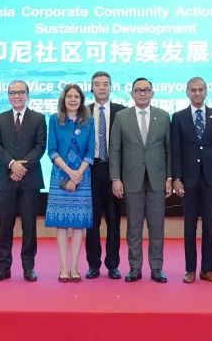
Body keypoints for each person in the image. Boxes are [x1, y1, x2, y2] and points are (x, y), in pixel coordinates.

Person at [111, 77, 172, 283]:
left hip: (157, 179)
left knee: (157, 227)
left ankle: (157, 268)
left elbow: (169, 150)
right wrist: (116, 178)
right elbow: (115, 149)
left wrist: (169, 177)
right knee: (134, 227)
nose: (143, 93)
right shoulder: (121, 117)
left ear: (152, 93)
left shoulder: (163, 116)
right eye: (138, 90)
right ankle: (134, 268)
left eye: (146, 90)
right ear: (132, 94)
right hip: (131, 179)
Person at [171, 77, 212, 283]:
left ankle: (207, 269)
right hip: (188, 179)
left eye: (200, 89)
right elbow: (176, 151)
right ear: (187, 92)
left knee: (209, 227)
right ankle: (190, 270)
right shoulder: (178, 117)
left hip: (211, 179)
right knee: (189, 227)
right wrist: (176, 178)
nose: (197, 93)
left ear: (206, 92)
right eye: (193, 90)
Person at [0, 80, 46, 282]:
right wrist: (12, 164)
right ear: (8, 96)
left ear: (27, 95)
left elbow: (40, 146)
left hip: (30, 180)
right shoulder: (0, 118)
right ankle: (3, 267)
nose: (17, 96)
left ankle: (28, 267)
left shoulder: (38, 118)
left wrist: (22, 167)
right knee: (5, 225)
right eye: (13, 93)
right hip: (6, 179)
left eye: (21, 92)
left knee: (29, 226)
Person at [45, 84, 95, 282]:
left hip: (83, 175)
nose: (73, 100)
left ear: (81, 100)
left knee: (79, 224)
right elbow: (52, 150)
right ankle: (63, 268)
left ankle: (74, 267)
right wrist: (69, 172)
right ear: (63, 100)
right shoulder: (54, 120)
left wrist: (78, 174)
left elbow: (90, 150)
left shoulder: (88, 121)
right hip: (60, 174)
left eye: (76, 97)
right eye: (69, 96)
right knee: (62, 224)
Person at [85, 71, 125, 280]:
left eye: (105, 84)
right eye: (97, 84)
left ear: (111, 87)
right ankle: (93, 264)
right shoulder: (83, 111)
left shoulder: (122, 112)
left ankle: (113, 264)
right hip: (90, 169)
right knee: (92, 221)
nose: (101, 87)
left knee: (113, 220)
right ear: (91, 88)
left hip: (113, 170)